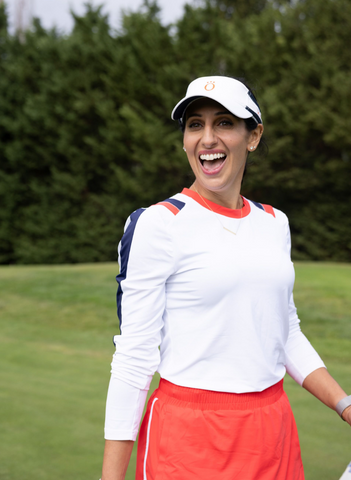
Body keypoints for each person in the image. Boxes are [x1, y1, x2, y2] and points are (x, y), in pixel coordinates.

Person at [101, 76, 351, 480]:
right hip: (187, 440)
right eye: (195, 124)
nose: (207, 138)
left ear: (253, 136)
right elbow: (134, 358)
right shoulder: (158, 224)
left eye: (224, 123)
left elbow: (283, 332)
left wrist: (344, 404)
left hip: (272, 433)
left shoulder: (274, 223)